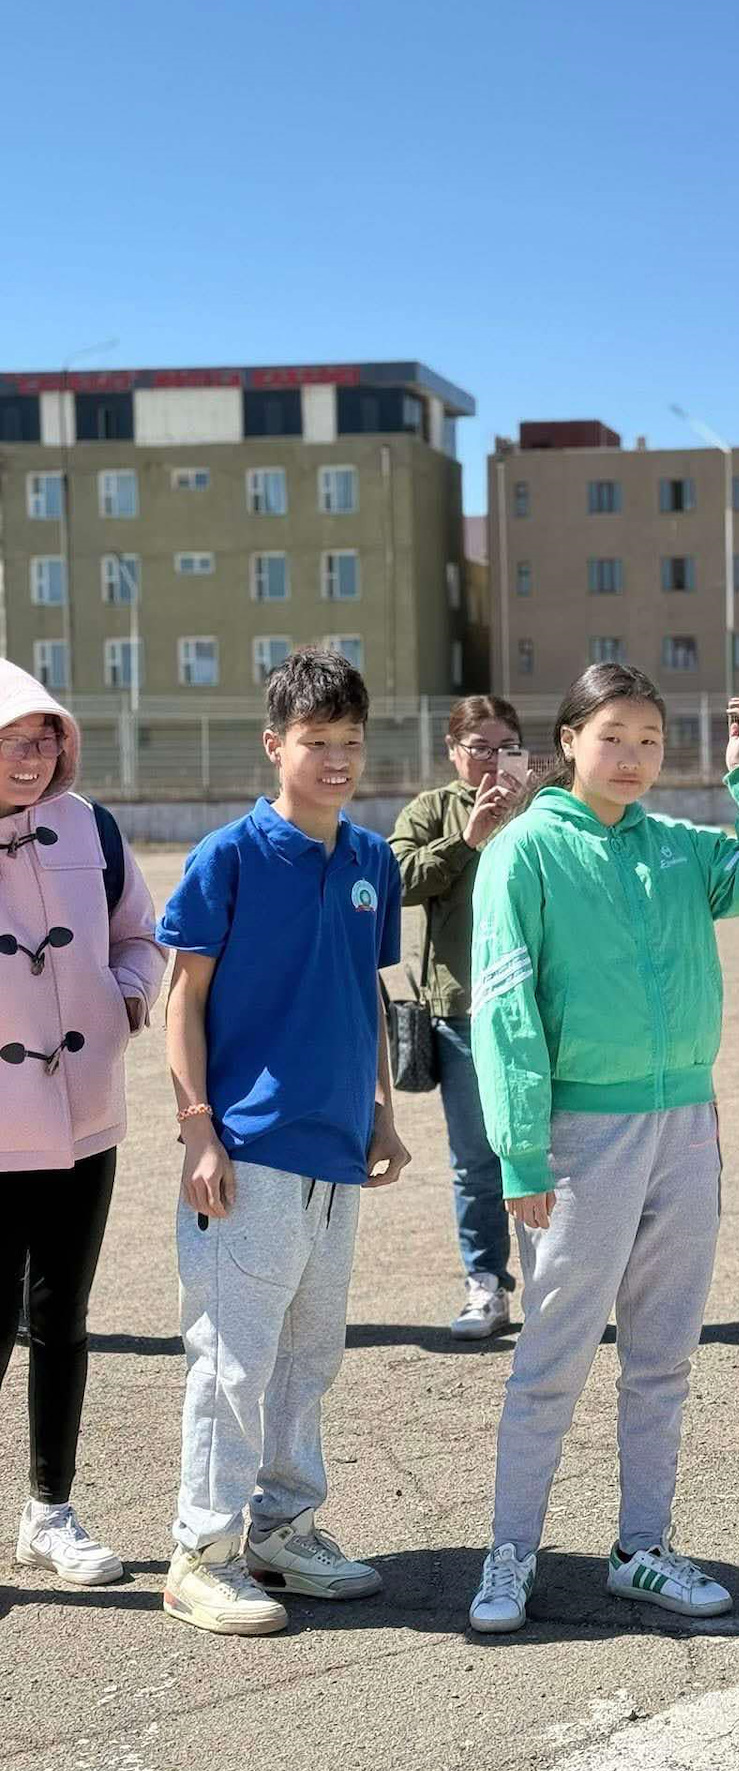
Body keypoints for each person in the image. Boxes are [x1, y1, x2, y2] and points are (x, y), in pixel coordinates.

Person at [465, 663, 739, 1633]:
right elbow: (504, 1011)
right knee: (552, 1357)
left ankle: (642, 1549)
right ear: (568, 741)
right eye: (613, 736)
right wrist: (521, 1153)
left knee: (662, 1356)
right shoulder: (525, 850)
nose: (632, 757)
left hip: (686, 1129)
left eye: (650, 740)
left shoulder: (679, 849)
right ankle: (510, 1553)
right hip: (578, 1140)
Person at [155, 649, 411, 1636]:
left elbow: (365, 992)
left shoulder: (371, 860)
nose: (336, 759)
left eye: (350, 741)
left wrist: (382, 1111)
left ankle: (284, 1531)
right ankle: (200, 1554)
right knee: (232, 1362)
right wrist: (198, 1131)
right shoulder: (227, 856)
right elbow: (184, 1000)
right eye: (316, 741)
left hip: (336, 1154)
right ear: (275, 745)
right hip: (247, 1152)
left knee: (309, 1358)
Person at [0, 659, 165, 1585]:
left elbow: (140, 935)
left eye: (44, 738)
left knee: (62, 1316)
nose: (31, 758)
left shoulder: (89, 826)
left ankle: (50, 1513)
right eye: (11, 741)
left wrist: (124, 1000)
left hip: (82, 1116)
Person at [389, 697, 526, 1338]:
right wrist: (466, 839)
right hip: (462, 1010)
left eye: (507, 747)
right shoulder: (431, 810)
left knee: (549, 1153)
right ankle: (487, 1284)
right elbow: (395, 881)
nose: (494, 761)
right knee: (476, 1161)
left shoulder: (544, 804)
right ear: (452, 750)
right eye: (480, 748)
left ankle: (560, 1289)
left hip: (539, 1006)